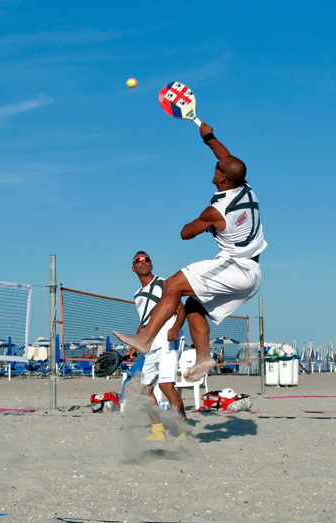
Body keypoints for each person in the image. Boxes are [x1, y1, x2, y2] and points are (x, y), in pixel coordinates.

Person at [114, 122, 266, 382]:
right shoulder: (246, 188)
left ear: (222, 178)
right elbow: (226, 158)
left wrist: (205, 225)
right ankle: (204, 356)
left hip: (236, 268)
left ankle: (145, 338)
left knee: (172, 283)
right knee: (193, 304)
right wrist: (209, 137)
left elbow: (186, 233)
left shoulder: (217, 209)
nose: (216, 165)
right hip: (251, 273)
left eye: (218, 167)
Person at [121, 251, 187, 442]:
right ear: (133, 268)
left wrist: (176, 327)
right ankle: (158, 431)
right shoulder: (137, 295)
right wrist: (134, 345)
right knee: (146, 390)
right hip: (152, 345)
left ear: (152, 265)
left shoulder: (164, 283)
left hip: (169, 338)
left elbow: (180, 309)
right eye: (138, 261)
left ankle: (183, 430)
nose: (143, 262)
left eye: (146, 259)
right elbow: (145, 322)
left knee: (166, 385)